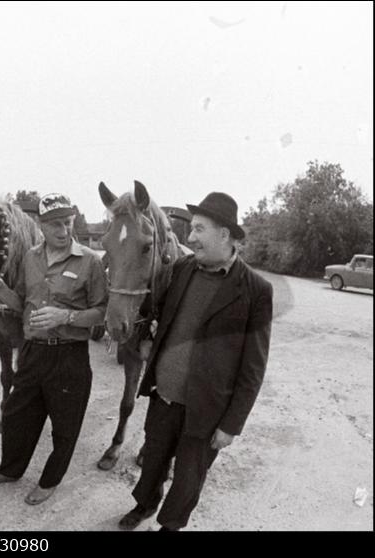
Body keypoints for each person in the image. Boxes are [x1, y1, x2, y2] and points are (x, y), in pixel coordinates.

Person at [117, 192, 273, 531]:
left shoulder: (256, 290)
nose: (190, 238)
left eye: (199, 229)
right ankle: (144, 505)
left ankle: (170, 525)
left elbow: (253, 367)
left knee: (188, 479)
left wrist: (232, 425)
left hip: (207, 411)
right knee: (153, 461)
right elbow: (154, 310)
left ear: (225, 235)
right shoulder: (181, 268)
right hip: (165, 397)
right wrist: (146, 339)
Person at [0, 193, 108, 505]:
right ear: (41, 225)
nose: (64, 230)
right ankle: (9, 470)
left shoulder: (90, 261)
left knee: (65, 425)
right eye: (56, 224)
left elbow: (102, 312)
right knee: (18, 416)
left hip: (69, 355)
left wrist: (67, 316)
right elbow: (21, 303)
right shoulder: (31, 258)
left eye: (69, 223)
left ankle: (49, 481)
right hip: (34, 352)